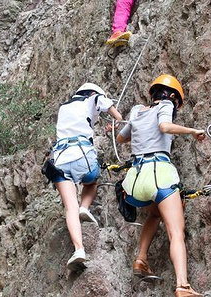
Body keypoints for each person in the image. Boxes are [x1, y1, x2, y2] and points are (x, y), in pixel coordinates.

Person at [116, 74, 205, 297]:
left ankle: (141, 259)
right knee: (176, 231)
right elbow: (165, 126)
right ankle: (183, 286)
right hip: (159, 173)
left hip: (135, 180)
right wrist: (193, 131)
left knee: (154, 215)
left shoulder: (137, 110)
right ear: (173, 97)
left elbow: (121, 138)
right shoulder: (166, 104)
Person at [50, 83, 123, 270]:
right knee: (91, 181)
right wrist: (117, 119)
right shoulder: (93, 97)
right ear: (91, 93)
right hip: (82, 153)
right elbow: (103, 102)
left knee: (69, 207)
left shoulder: (63, 107)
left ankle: (79, 249)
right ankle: (85, 206)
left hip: (59, 159)